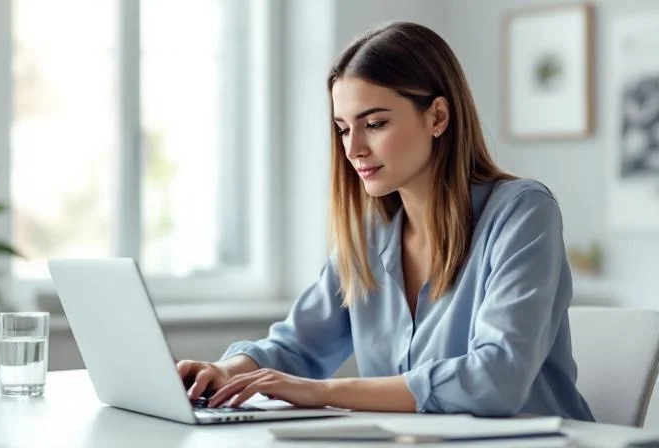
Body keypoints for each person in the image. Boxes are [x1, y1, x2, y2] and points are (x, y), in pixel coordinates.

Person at [176, 21, 595, 420]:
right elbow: (296, 347)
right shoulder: (369, 238)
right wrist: (226, 371)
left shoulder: (522, 213)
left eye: (374, 124)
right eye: (343, 129)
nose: (354, 148)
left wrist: (324, 392)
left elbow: (496, 378)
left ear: (437, 117)